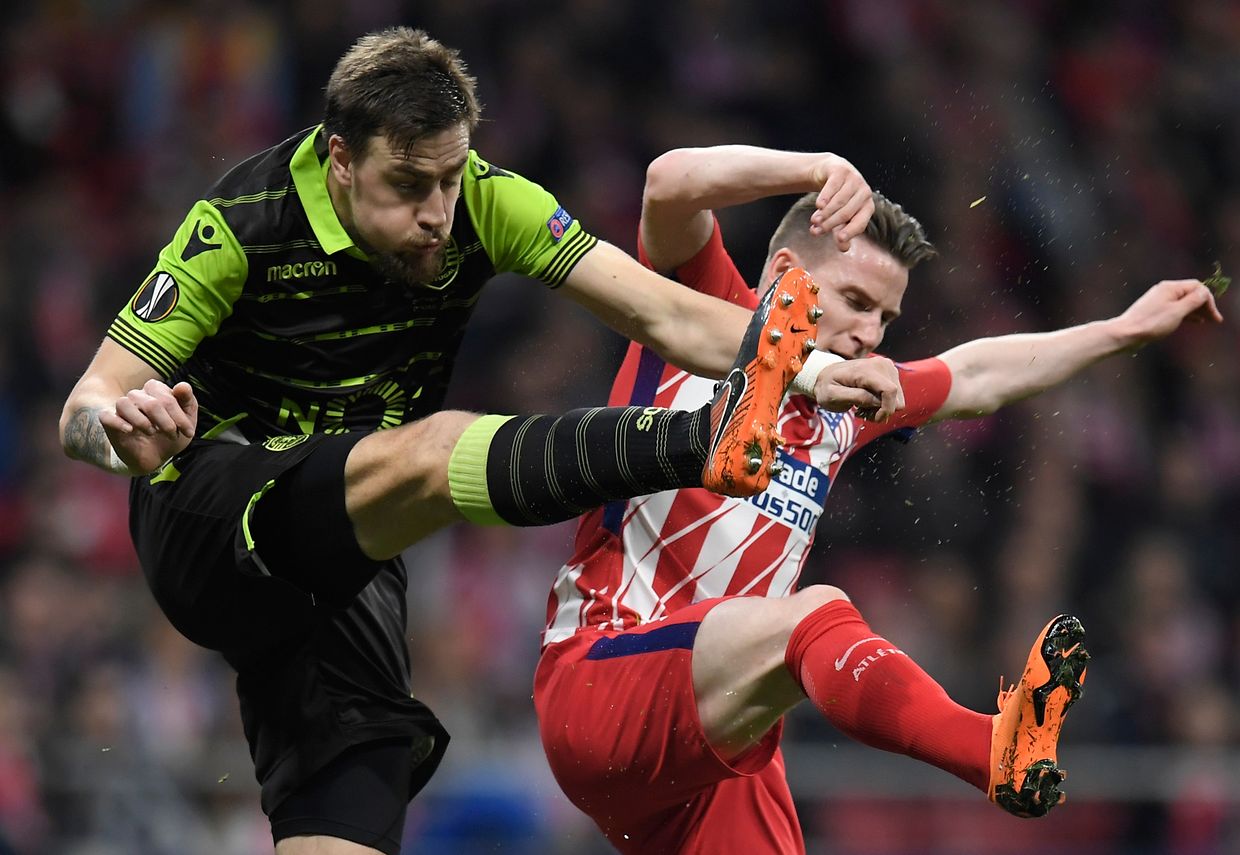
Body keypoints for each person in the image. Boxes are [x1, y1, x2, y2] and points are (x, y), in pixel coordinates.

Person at [55, 31, 900, 855]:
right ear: (341, 159)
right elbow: (82, 410)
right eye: (408, 183)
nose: (436, 213)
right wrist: (124, 435)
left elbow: (665, 311)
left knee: (348, 802)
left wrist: (815, 371)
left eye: (451, 179)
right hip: (211, 512)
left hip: (345, 553)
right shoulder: (239, 223)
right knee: (435, 449)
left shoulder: (486, 201)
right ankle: (697, 440)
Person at [534, 144, 1224, 853]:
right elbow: (668, 182)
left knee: (793, 645)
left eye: (886, 317)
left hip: (711, 741)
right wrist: (813, 169)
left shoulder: (848, 403)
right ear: (783, 276)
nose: (869, 333)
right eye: (857, 301)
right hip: (600, 677)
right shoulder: (707, 310)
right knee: (815, 616)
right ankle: (989, 748)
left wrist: (1122, 331)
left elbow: (979, 372)